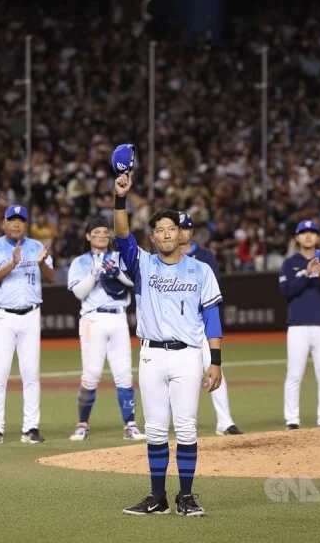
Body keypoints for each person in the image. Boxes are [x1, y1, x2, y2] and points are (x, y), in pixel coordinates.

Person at [112, 169, 223, 517]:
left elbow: (212, 318)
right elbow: (121, 236)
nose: (165, 234)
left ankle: (186, 497)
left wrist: (215, 360)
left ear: (180, 234)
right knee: (156, 428)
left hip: (189, 355)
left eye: (171, 229)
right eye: (159, 230)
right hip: (152, 355)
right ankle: (157, 497)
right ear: (153, 237)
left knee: (187, 426)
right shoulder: (142, 264)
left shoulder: (200, 270)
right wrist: (120, 198)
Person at [66, 216, 146, 441]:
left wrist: (118, 273)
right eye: (96, 232)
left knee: (124, 375)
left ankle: (130, 424)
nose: (101, 235)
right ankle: (82, 424)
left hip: (119, 317)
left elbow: (135, 282)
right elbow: (79, 293)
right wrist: (94, 273)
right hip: (93, 319)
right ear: (88, 236)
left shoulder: (120, 258)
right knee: (91, 374)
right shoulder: (80, 262)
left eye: (104, 231)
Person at [0, 205, 54, 445]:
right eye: (12, 220)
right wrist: (12, 264)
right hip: (2, 315)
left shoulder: (36, 247)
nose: (16, 224)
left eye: (21, 220)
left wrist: (42, 263)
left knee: (31, 374)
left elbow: (51, 277)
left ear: (26, 224)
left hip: (31, 314)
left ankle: (31, 427)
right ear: (4, 223)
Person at [178, 212, 242, 435]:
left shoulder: (205, 256)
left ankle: (225, 422)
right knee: (178, 375)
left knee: (215, 370)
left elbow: (213, 288)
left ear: (192, 231)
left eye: (186, 228)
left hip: (200, 323)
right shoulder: (166, 256)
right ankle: (180, 422)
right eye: (178, 228)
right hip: (176, 326)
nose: (182, 232)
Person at [279, 220, 320, 430]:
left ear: (318, 237)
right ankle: (292, 420)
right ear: (297, 238)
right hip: (297, 325)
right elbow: (287, 291)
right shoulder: (289, 263)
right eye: (303, 232)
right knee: (294, 374)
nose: (308, 236)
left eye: (312, 232)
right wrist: (306, 274)